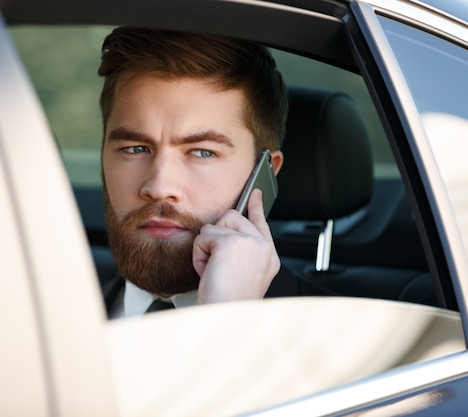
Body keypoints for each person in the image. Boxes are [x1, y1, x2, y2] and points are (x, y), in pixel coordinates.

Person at [97, 27, 326, 319]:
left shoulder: (350, 344)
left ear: (264, 176)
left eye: (203, 152)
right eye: (135, 148)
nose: (159, 186)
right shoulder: (49, 319)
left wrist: (227, 318)